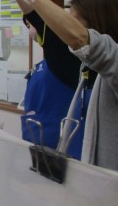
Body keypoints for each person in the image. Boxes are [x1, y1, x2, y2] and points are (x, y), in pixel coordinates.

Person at [0, 0, 118, 171]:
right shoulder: (80, 66)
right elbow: (39, 21)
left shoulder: (111, 61)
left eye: (74, 20)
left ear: (97, 23)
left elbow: (82, 41)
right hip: (77, 173)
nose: (64, 29)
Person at [20, 15, 90, 158]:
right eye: (27, 26)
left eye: (32, 24)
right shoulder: (39, 68)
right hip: (37, 140)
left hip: (62, 143)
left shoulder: (69, 63)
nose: (30, 31)